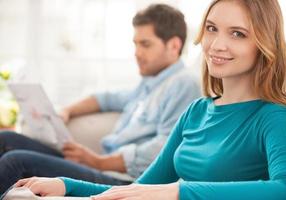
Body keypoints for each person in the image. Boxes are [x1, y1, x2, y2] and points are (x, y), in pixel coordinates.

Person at [13, 0, 286, 199]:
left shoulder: (272, 115)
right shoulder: (197, 111)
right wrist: (65, 185)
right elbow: (140, 188)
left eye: (238, 34)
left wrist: (177, 192)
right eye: (212, 28)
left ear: (263, 45)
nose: (216, 44)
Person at [0, 4, 200, 193]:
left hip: (127, 181)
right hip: (102, 167)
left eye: (145, 45)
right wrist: (67, 111)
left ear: (174, 46)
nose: (137, 53)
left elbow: (164, 148)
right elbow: (106, 99)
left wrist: (97, 161)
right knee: (6, 139)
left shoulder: (183, 84)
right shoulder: (150, 83)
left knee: (15, 161)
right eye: (136, 44)